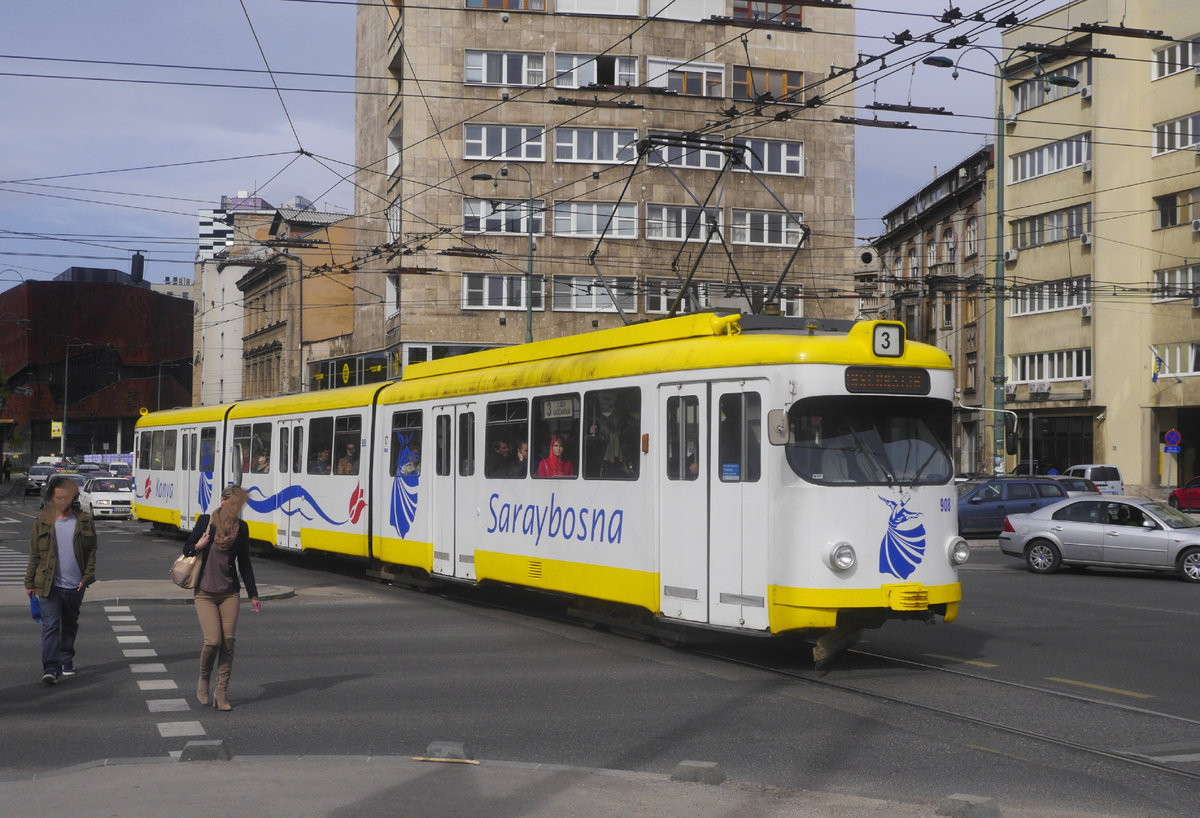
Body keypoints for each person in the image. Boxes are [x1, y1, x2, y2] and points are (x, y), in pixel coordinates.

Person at [183, 485, 261, 711]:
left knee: (228, 643)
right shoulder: (205, 522)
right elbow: (187, 548)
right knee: (213, 641)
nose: (235, 508)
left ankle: (221, 692)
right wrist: (198, 546)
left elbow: (244, 562)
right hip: (204, 593)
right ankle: (204, 677)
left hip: (229, 593)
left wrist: (253, 594)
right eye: (232, 503)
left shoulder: (241, 528)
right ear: (223, 501)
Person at [24, 474, 98, 685]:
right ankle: (50, 668)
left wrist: (87, 578)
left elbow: (91, 552)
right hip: (48, 584)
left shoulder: (84, 521)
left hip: (75, 585)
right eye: (58, 498)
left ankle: (66, 659)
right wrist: (29, 582)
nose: (62, 501)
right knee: (50, 626)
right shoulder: (42, 522)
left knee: (69, 624)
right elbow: (34, 554)